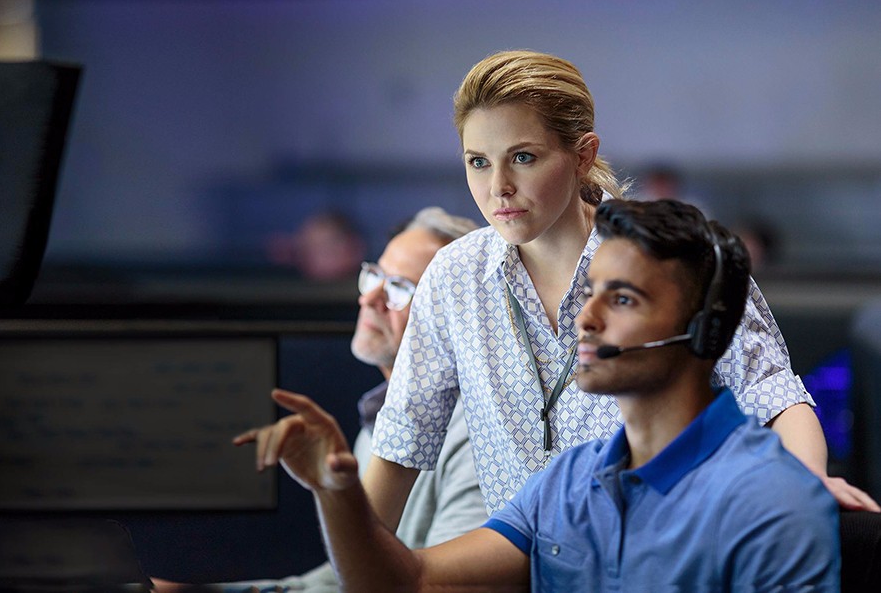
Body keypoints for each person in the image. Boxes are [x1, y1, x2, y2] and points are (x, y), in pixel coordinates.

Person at [361, 49, 877, 530]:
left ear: (583, 155)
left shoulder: (668, 252)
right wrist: (353, 563)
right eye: (478, 161)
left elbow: (772, 393)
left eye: (523, 158)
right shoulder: (455, 276)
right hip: (522, 564)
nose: (498, 187)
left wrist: (807, 481)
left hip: (662, 551)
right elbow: (402, 440)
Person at [238, 199, 840, 590]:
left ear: (704, 330)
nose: (585, 318)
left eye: (622, 299)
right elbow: (406, 582)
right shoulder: (568, 485)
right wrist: (337, 492)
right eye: (591, 291)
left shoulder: (769, 500)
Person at [154, 207, 486, 592]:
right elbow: (345, 577)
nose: (369, 299)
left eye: (399, 288)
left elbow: (445, 587)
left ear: (457, 317)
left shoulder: (475, 434)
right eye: (374, 276)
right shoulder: (384, 417)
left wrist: (336, 494)